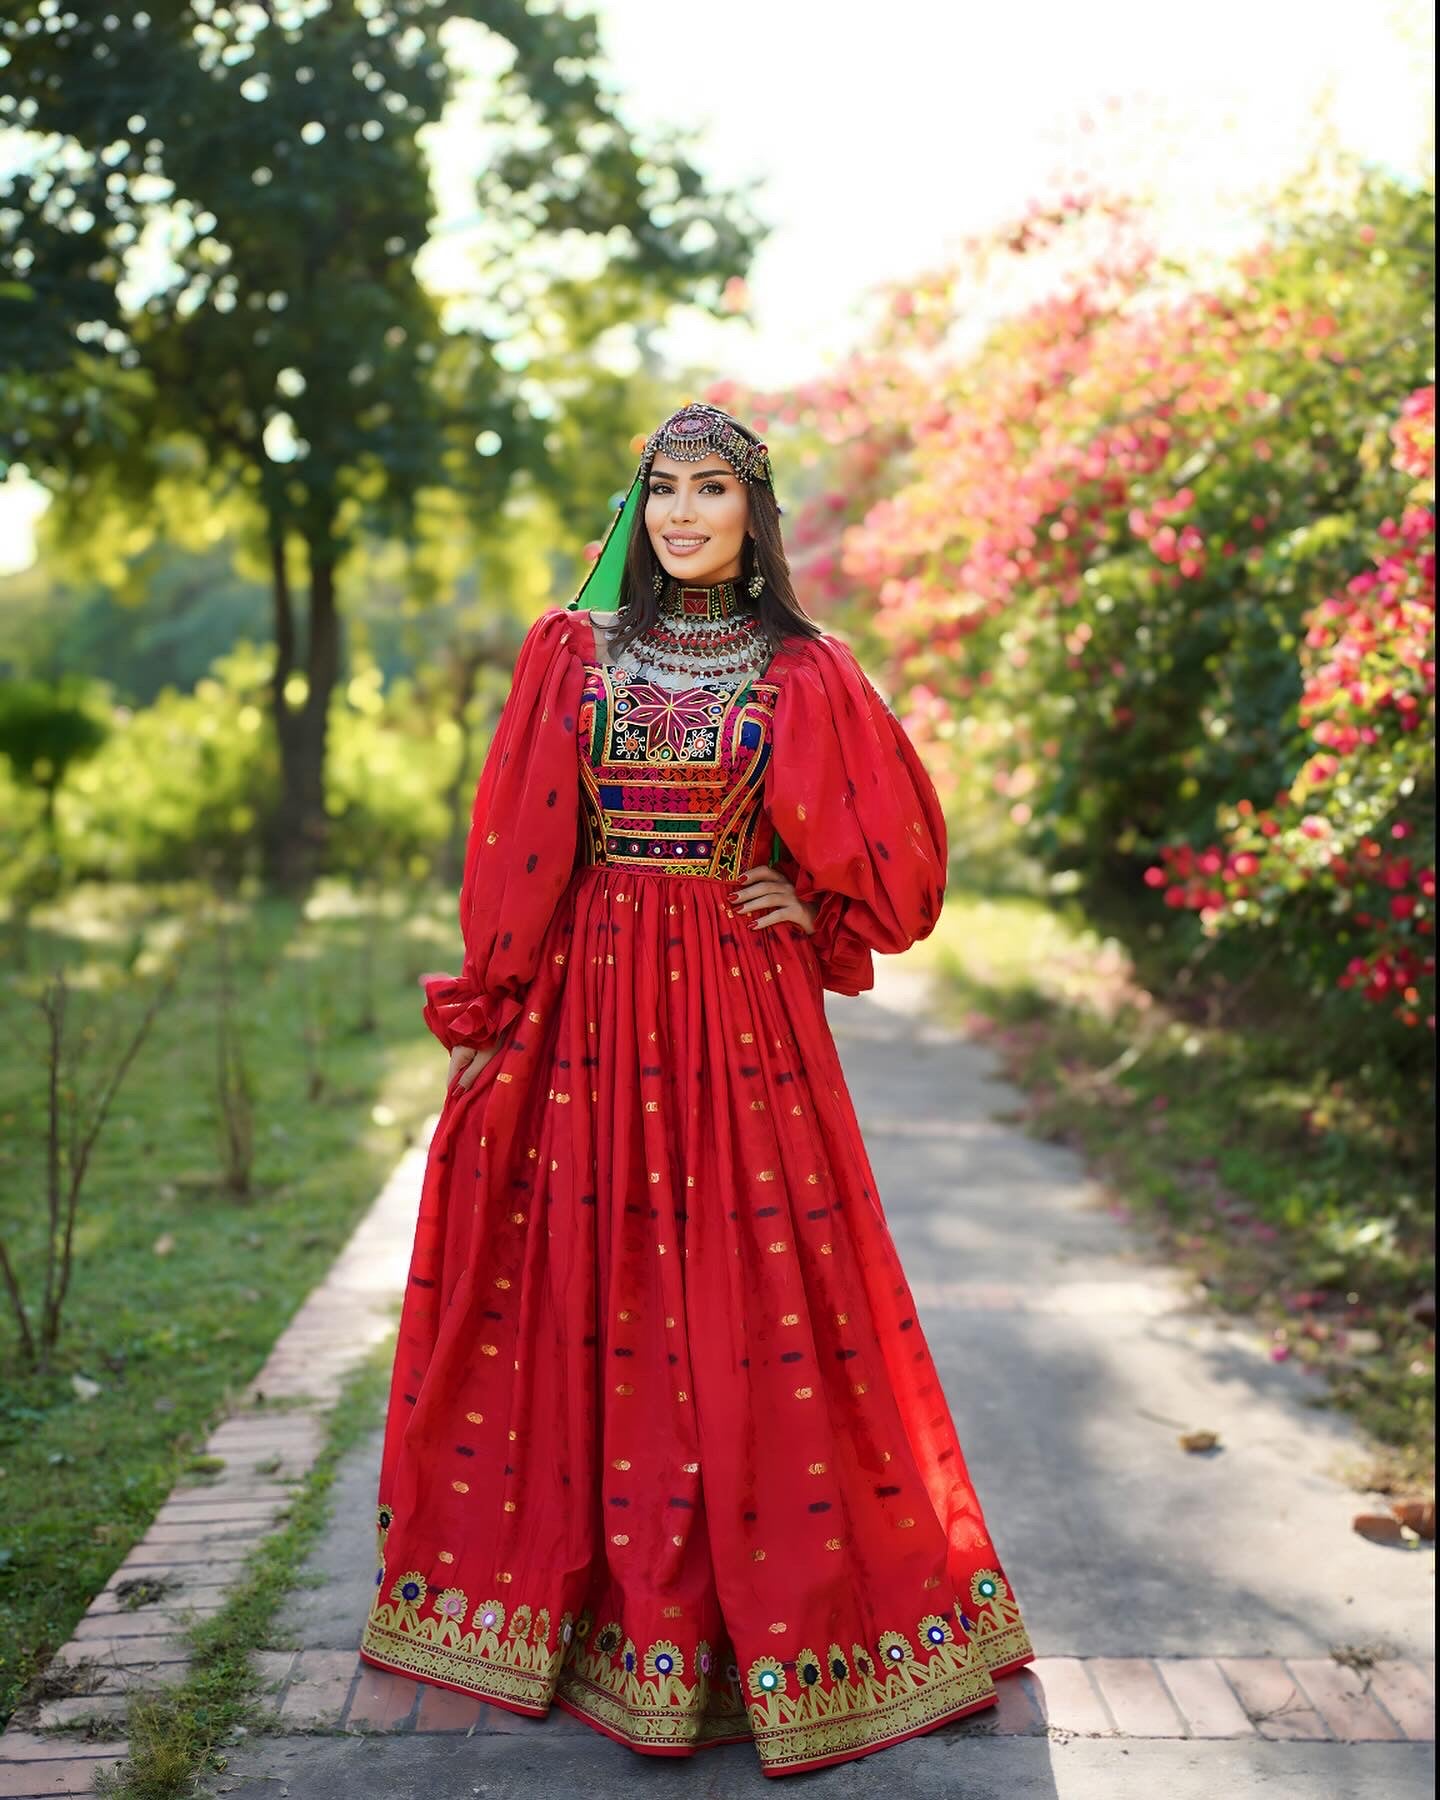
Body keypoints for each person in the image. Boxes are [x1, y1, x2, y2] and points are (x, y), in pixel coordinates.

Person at [359, 402, 1034, 1777]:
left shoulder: (806, 668)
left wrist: (816, 898)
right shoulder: (575, 651)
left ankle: (770, 1632)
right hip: (593, 1006)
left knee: (753, 1299)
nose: (681, 513)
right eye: (662, 489)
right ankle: (604, 1620)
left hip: (739, 1013)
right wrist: (493, 1007)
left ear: (751, 514)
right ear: (641, 507)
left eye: (711, 490)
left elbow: (897, 846)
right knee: (597, 1291)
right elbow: (524, 844)